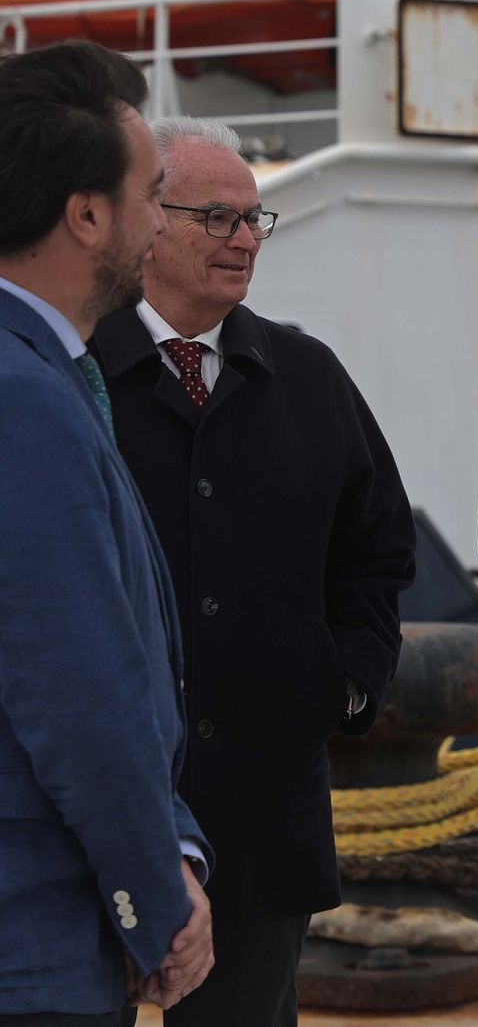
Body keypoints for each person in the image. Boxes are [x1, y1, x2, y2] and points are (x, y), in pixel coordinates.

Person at [88, 116, 416, 1026]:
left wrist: (346, 684)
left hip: (263, 815)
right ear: (149, 222)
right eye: (216, 219)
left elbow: (378, 547)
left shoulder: (307, 376)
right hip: (99, 804)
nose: (242, 241)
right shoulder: (73, 376)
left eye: (254, 221)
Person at [0, 42, 215, 1022]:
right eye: (153, 196)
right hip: (34, 946)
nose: (161, 223)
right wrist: (157, 908)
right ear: (87, 214)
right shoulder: (26, 402)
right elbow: (80, 694)